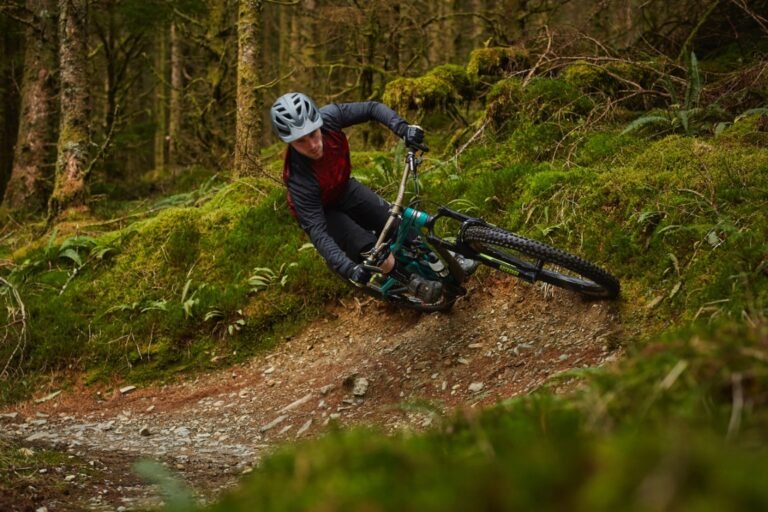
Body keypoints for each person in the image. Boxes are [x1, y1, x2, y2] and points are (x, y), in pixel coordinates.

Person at [270, 92, 471, 303]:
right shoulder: (299, 180)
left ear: (318, 122)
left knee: (395, 221)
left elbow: (371, 108)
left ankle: (445, 259)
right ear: (289, 143)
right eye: (301, 141)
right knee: (370, 249)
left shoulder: (330, 117)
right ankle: (409, 281)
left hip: (344, 188)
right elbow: (319, 233)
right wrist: (349, 269)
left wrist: (403, 129)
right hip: (325, 211)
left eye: (313, 134)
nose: (312, 144)